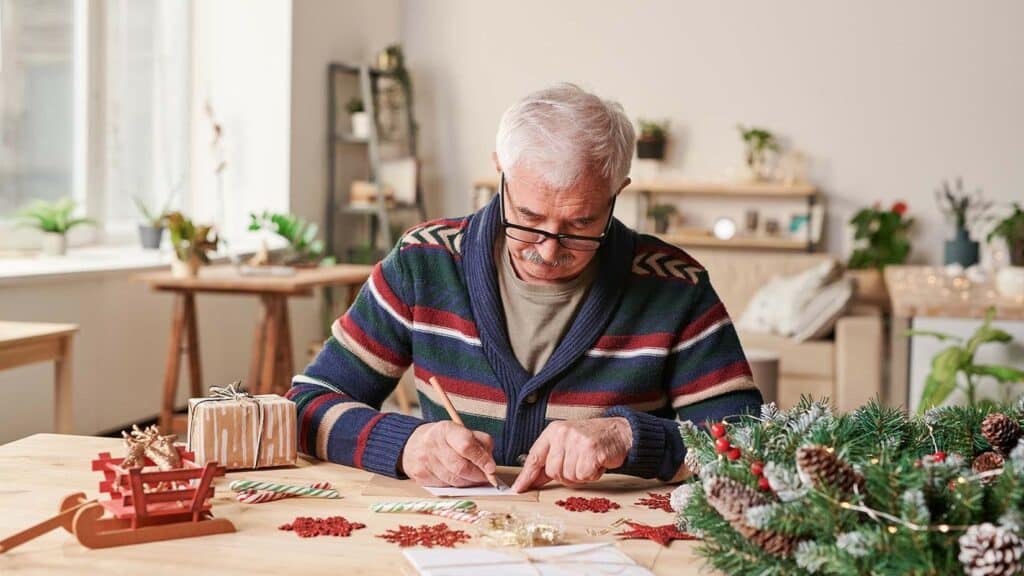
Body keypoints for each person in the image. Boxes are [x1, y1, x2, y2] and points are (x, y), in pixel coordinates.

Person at [287, 83, 762, 492]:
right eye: (529, 219)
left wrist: (628, 438)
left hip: (615, 544)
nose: (549, 250)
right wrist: (406, 443)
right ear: (501, 173)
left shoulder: (675, 286)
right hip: (450, 537)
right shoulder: (424, 262)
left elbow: (752, 444)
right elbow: (306, 405)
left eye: (581, 224)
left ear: (619, 189)